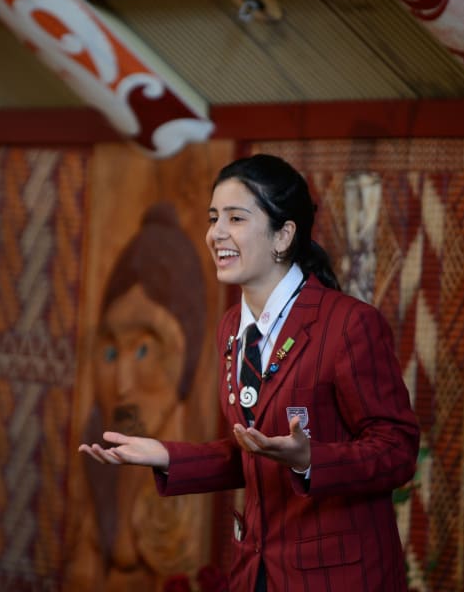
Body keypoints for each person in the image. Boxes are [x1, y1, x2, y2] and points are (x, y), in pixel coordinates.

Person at [79, 154, 419, 591]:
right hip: (257, 572)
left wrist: (309, 458)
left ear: (283, 234)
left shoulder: (349, 324)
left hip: (338, 576)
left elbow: (398, 451)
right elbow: (254, 454)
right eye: (213, 217)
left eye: (236, 218)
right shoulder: (230, 330)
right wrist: (164, 455)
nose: (216, 232)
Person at [66, 202, 212, 591]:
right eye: (111, 353)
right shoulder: (97, 472)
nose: (123, 384)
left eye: (145, 350)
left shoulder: (208, 478)